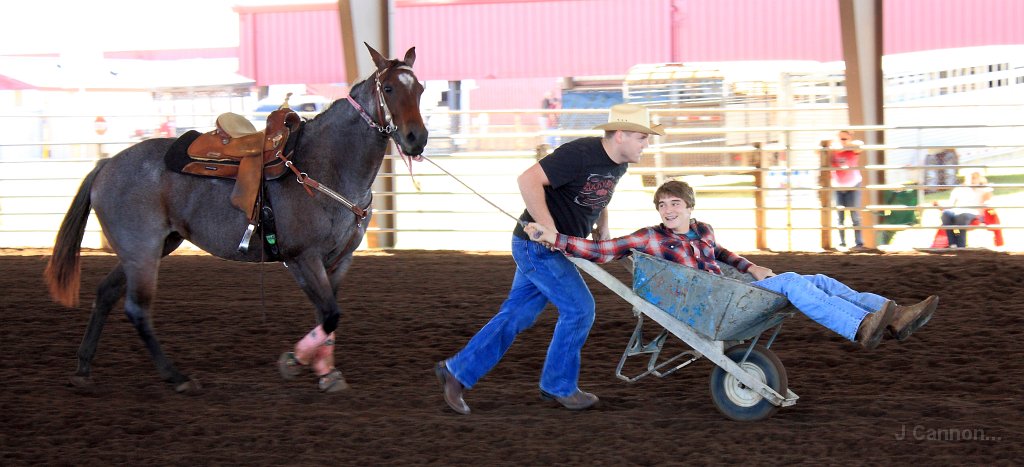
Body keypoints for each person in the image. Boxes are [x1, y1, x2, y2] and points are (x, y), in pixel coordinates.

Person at [435, 103, 665, 415]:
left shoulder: (619, 164)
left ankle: (457, 371)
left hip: (558, 247)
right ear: (621, 134)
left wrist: (603, 226)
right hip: (537, 246)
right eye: (642, 137)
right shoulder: (579, 154)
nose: (646, 144)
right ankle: (558, 386)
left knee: (517, 315)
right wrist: (549, 228)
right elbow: (527, 180)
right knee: (580, 309)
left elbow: (600, 195)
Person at [523, 180, 939, 350]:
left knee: (816, 277)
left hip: (731, 296)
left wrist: (752, 267)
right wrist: (553, 237)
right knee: (795, 283)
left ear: (689, 207)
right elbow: (602, 250)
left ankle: (893, 316)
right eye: (663, 205)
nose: (668, 210)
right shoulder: (649, 237)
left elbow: (722, 254)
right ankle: (861, 326)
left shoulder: (703, 229)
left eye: (675, 204)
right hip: (711, 305)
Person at [940, 170, 993, 248]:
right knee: (946, 215)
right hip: (957, 211)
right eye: (971, 177)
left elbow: (988, 198)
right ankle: (953, 243)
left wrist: (985, 185)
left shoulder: (982, 190)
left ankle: (961, 245)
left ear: (979, 179)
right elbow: (950, 204)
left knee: (961, 218)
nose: (972, 180)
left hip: (973, 213)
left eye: (975, 178)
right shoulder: (959, 189)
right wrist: (942, 208)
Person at [830, 130, 865, 249]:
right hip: (838, 186)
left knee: (854, 215)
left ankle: (858, 243)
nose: (842, 141)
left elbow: (859, 145)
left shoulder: (853, 149)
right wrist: (836, 147)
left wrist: (843, 147)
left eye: (845, 139)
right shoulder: (833, 149)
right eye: (841, 138)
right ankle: (842, 243)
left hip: (853, 185)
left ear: (850, 139)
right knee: (840, 216)